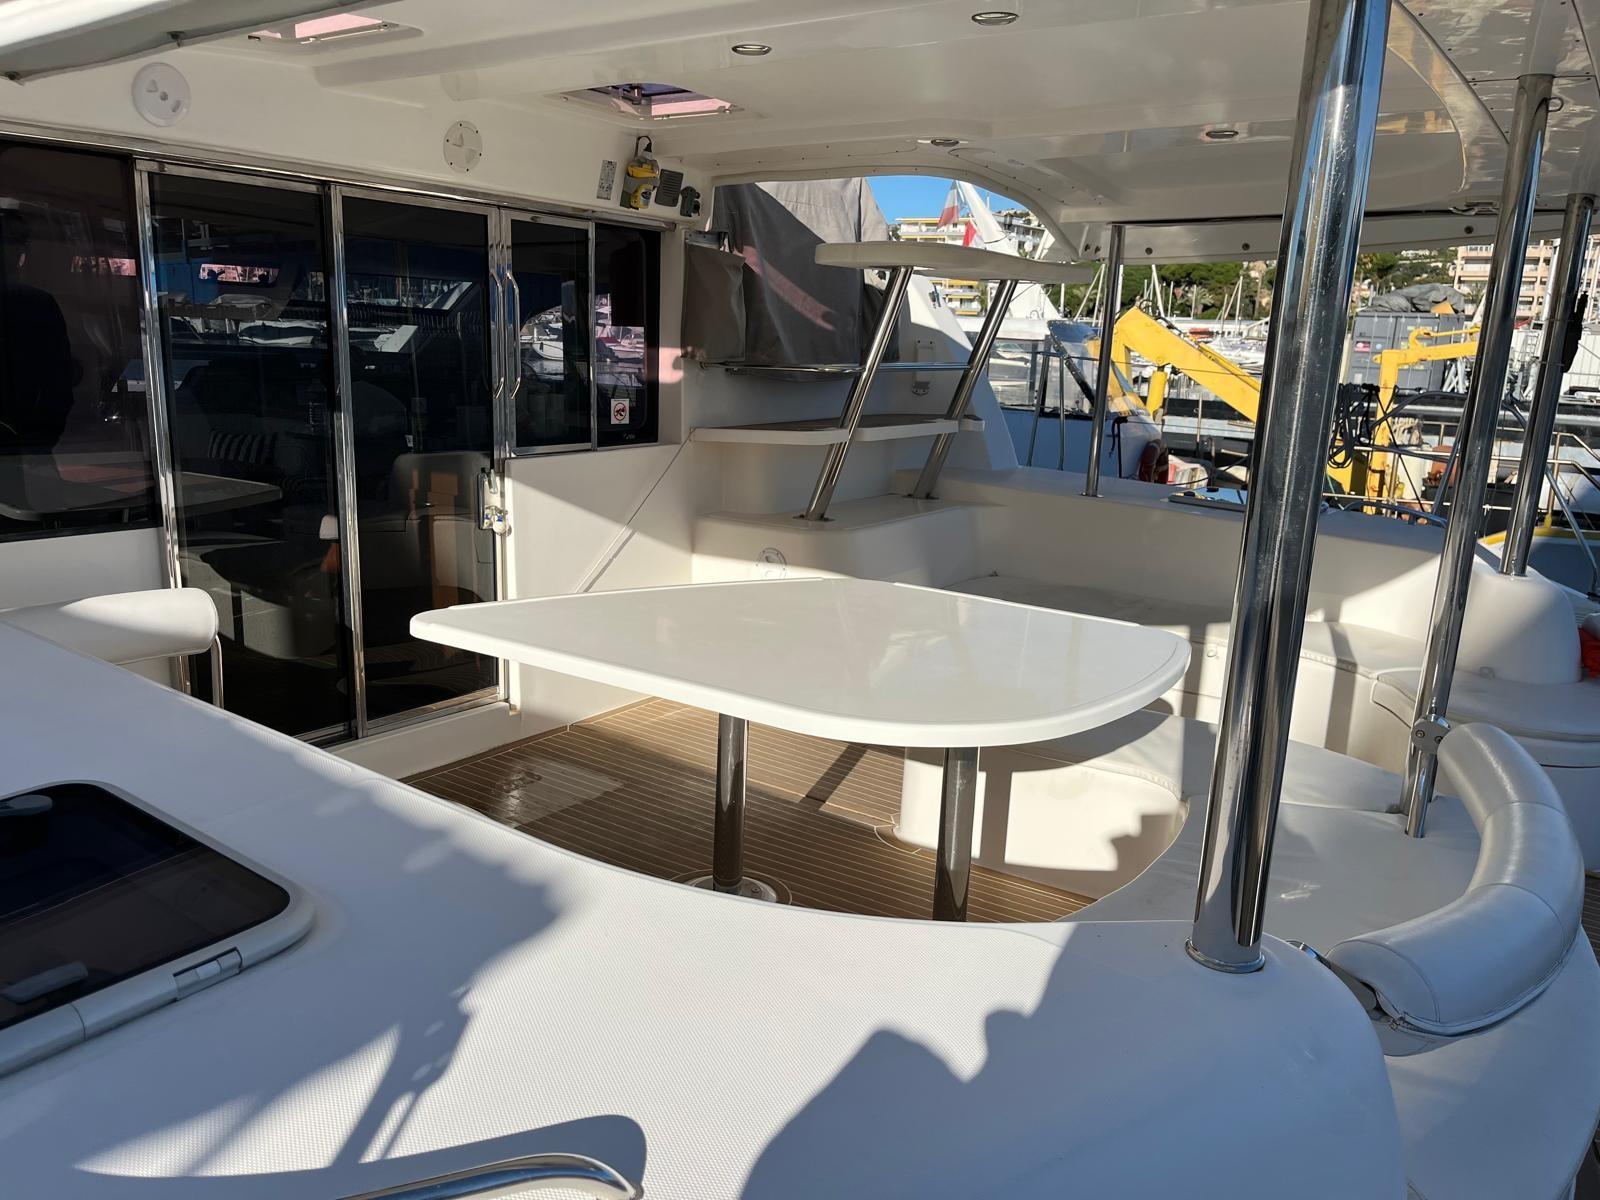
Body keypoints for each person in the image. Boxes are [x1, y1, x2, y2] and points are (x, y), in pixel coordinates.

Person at [0, 209, 76, 458]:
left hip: (24, 443)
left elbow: (58, 380)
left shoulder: (36, 304)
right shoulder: (37, 303)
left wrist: (39, 439)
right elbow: (59, 380)